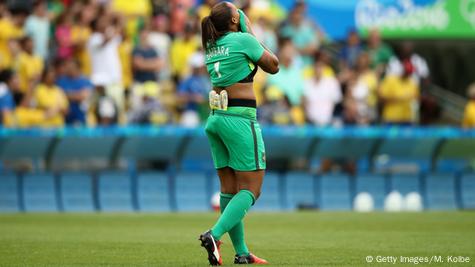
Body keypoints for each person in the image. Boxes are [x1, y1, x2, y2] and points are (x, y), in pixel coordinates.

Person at [199, 2, 278, 265]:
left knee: (229, 189)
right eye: (238, 12)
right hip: (239, 119)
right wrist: (250, 29)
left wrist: (238, 22)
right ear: (235, 19)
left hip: (215, 119)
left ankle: (242, 252)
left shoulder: (210, 44)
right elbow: (273, 65)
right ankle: (214, 235)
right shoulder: (243, 39)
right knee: (252, 189)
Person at [379, 60, 419, 125]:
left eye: (410, 72)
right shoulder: (390, 80)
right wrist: (400, 98)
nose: (408, 74)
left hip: (407, 119)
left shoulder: (412, 83)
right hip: (391, 119)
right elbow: (382, 99)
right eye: (407, 71)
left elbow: (416, 97)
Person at [56, 59, 93, 125]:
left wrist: (68, 95)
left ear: (77, 68)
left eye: (71, 67)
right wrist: (77, 95)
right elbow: (59, 95)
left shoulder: (85, 81)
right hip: (66, 117)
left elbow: (84, 96)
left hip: (82, 116)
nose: (68, 69)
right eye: (67, 67)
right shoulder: (61, 81)